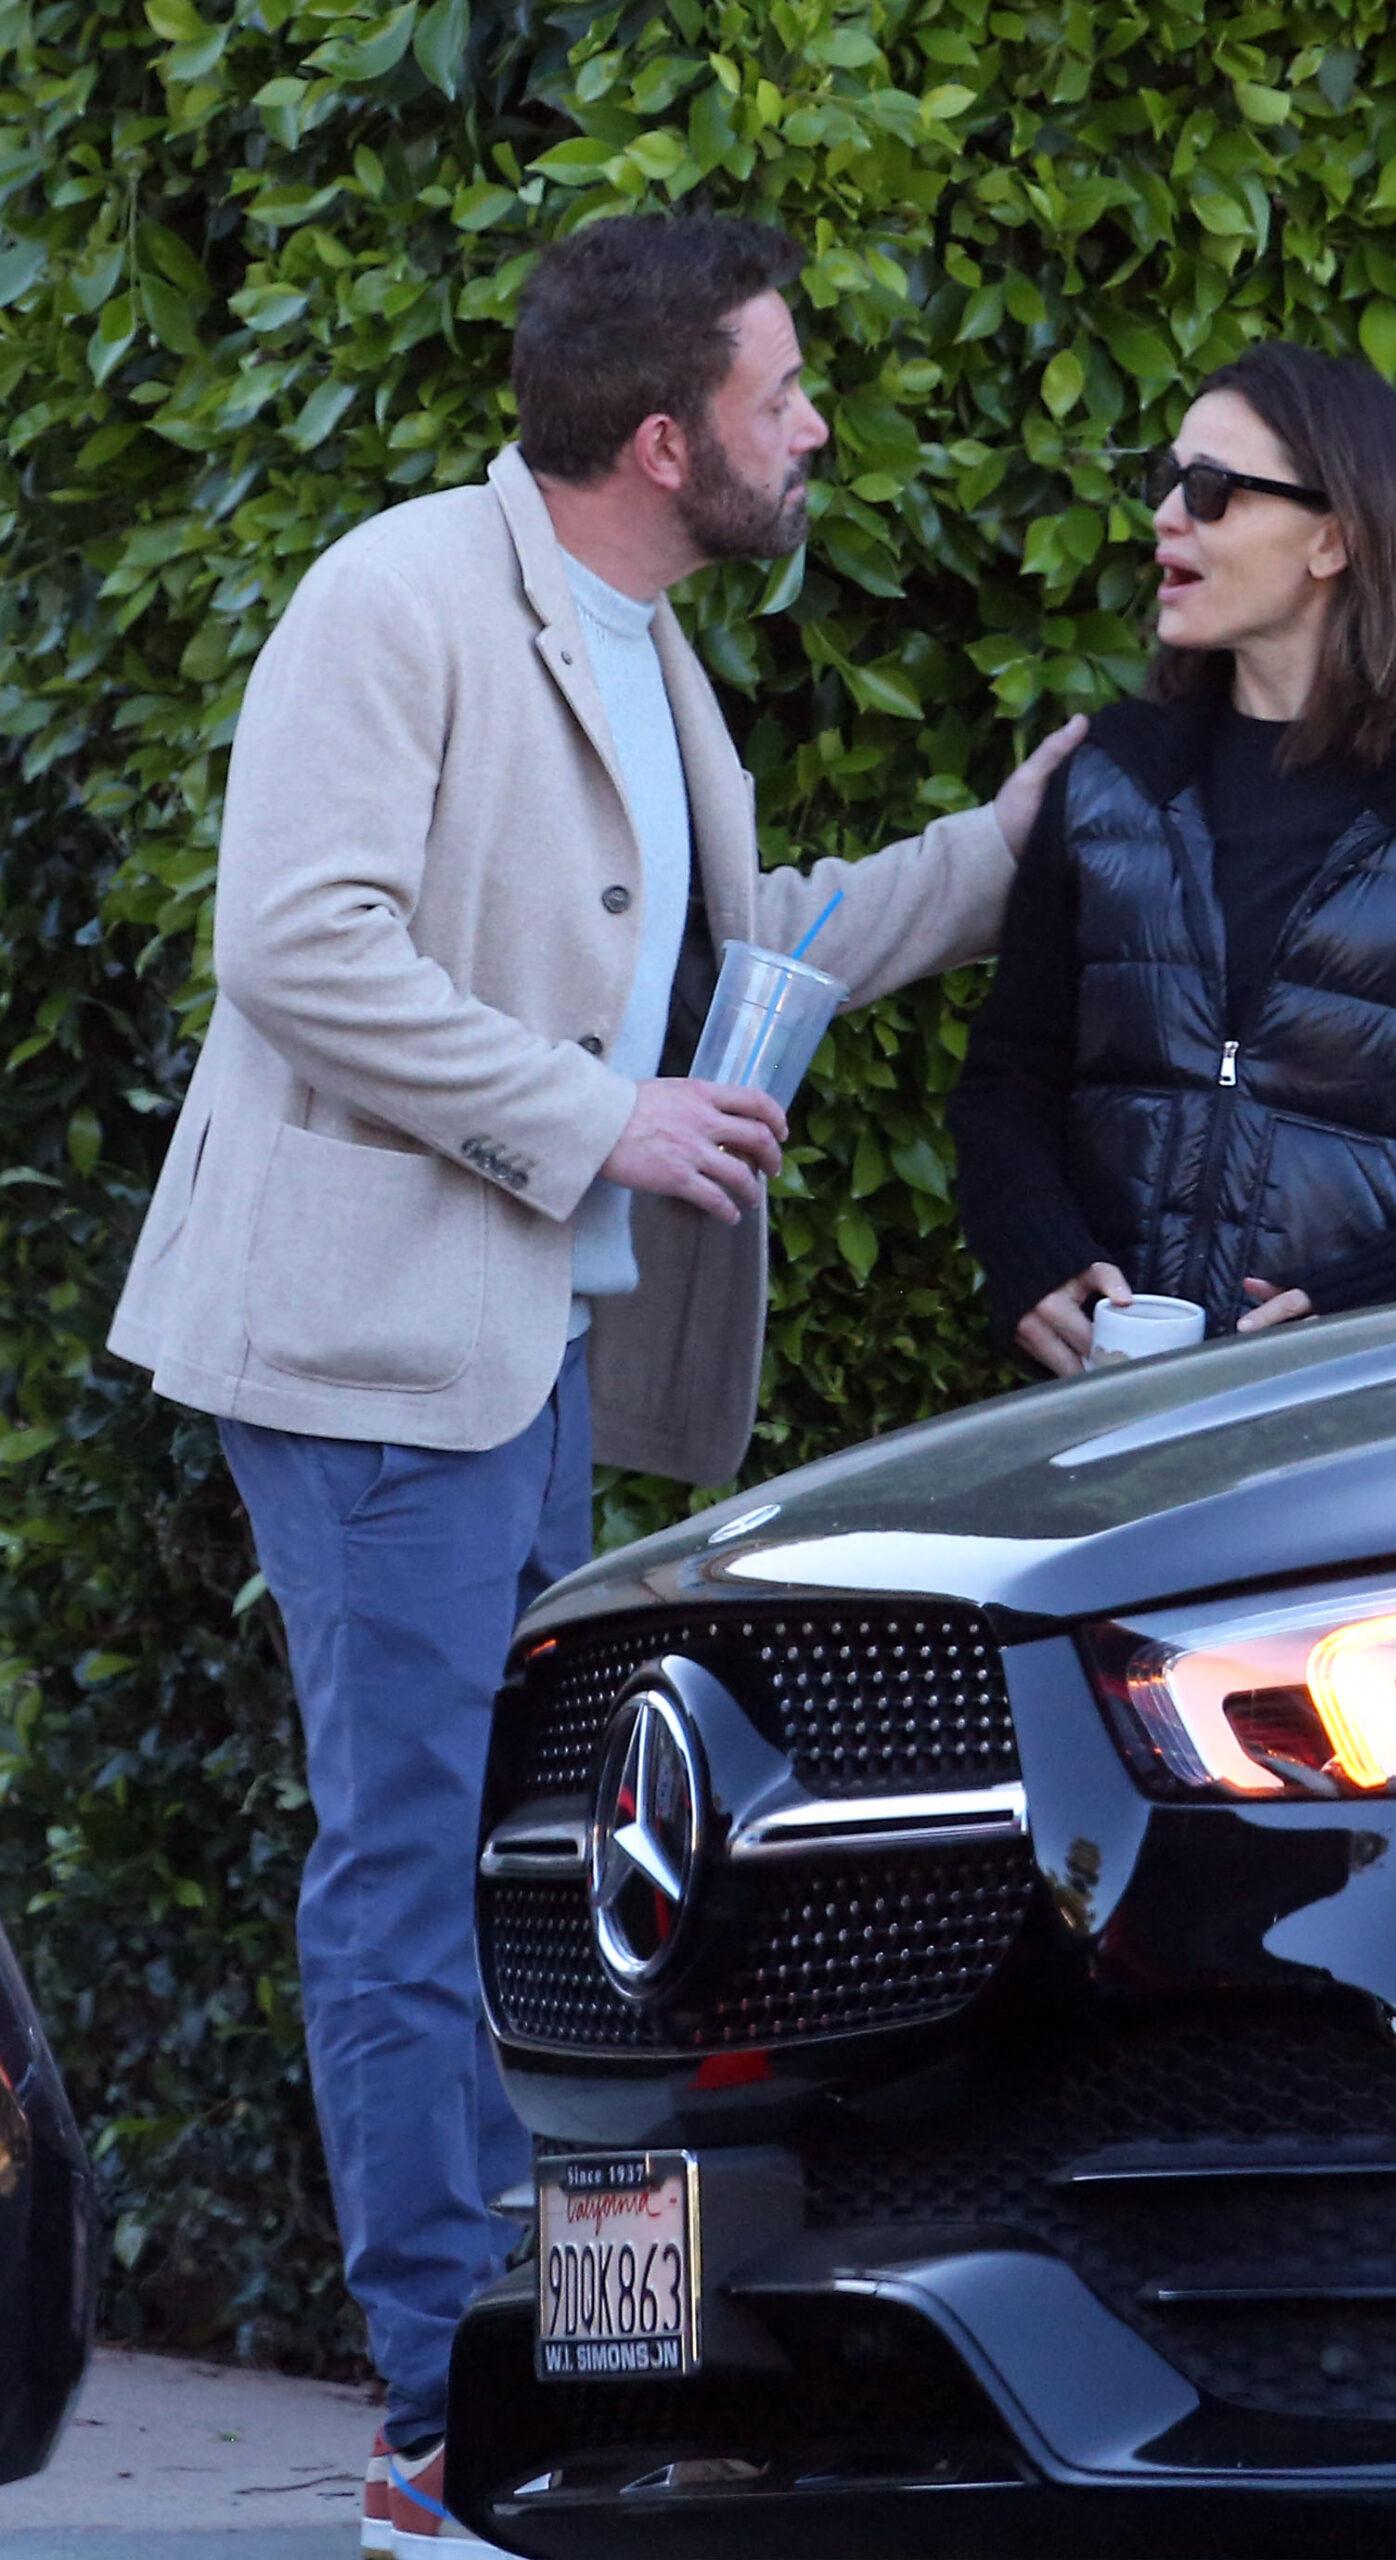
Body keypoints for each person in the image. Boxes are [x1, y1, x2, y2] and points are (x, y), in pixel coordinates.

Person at [106, 212, 1081, 2554]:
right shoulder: (399, 596)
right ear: (666, 440)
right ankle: (440, 2412)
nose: (811, 423)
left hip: (515, 1345)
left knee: (528, 1870)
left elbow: (759, 958)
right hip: (368, 1354)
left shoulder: (636, 641)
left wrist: (1015, 842)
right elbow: (294, 937)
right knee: (418, 1861)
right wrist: (588, 1113)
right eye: (781, 391)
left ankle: (530, 2363)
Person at [948, 340, 1396, 1377]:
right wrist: (1034, 1254)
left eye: (1214, 489)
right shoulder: (1112, 779)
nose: (1167, 515)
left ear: (1334, 541)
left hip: (1378, 1419)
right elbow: (1009, 1072)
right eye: (1166, 481)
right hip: (1104, 1406)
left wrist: (1386, 1306)